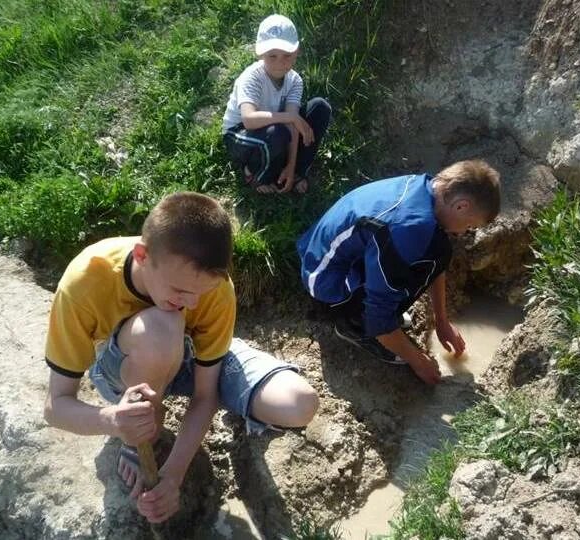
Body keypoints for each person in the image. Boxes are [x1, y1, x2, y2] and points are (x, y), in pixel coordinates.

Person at [43, 192, 319, 524]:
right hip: (127, 366)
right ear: (142, 256)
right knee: (162, 327)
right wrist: (115, 421)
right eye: (179, 291)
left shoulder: (213, 287)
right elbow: (55, 406)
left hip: (190, 355)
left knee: (300, 404)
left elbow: (205, 396)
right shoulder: (86, 280)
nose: (190, 304)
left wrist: (173, 475)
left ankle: (218, 370)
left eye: (199, 294)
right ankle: (148, 420)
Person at [297, 160, 501, 385]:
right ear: (461, 206)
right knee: (423, 257)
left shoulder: (426, 189)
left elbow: (436, 264)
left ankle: (365, 312)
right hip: (325, 279)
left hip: (320, 252)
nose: (464, 232)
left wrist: (441, 321)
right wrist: (417, 361)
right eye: (470, 226)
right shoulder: (410, 228)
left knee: (437, 250)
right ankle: (355, 324)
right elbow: (379, 314)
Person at [221, 14, 331, 195]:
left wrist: (291, 164)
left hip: (274, 128)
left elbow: (292, 124)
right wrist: (291, 118)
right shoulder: (252, 77)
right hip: (239, 133)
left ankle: (295, 173)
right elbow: (248, 119)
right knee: (277, 133)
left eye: (287, 55)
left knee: (319, 108)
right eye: (272, 56)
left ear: (297, 52)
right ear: (260, 54)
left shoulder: (295, 80)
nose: (280, 63)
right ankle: (257, 176)